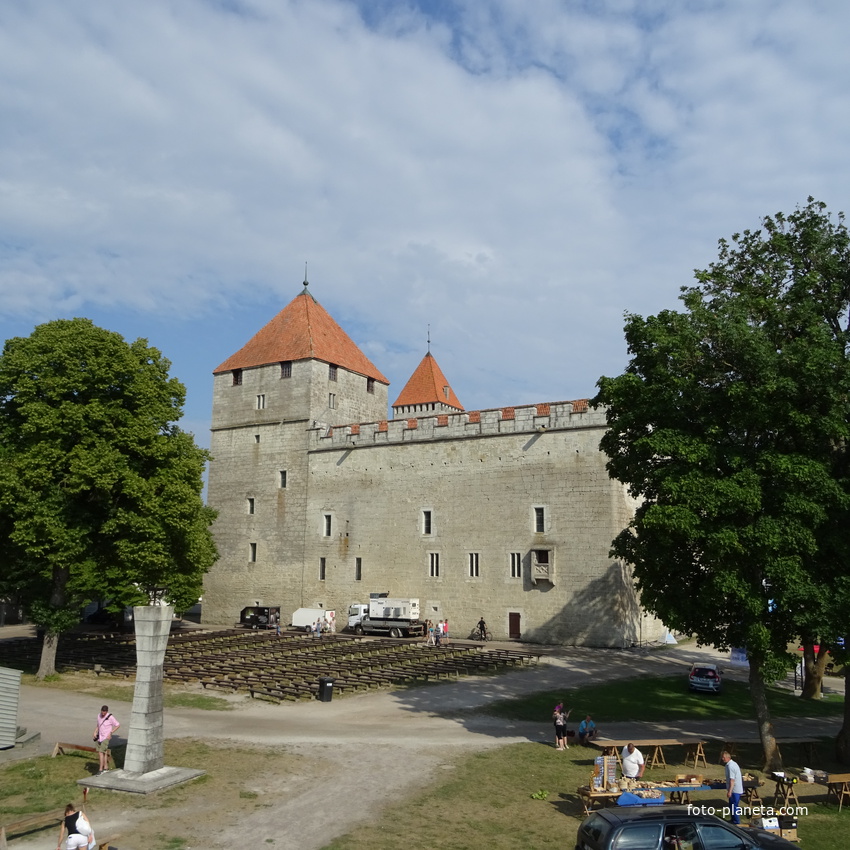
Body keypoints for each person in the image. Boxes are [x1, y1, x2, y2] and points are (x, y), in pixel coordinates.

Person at [93, 705, 119, 775]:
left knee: (100, 752)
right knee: (103, 752)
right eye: (102, 712)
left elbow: (117, 725)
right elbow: (98, 725)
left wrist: (111, 732)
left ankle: (100, 769)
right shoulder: (99, 715)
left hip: (106, 737)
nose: (103, 714)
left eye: (104, 712)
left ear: (107, 712)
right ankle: (106, 768)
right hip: (99, 736)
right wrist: (95, 732)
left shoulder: (110, 717)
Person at [721, 750, 743, 824]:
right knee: (732, 806)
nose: (722, 759)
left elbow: (732, 780)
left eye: (723, 757)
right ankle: (733, 820)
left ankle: (736, 821)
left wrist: (729, 791)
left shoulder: (731, 766)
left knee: (734, 806)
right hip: (734, 788)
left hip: (735, 789)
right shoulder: (731, 764)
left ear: (728, 757)